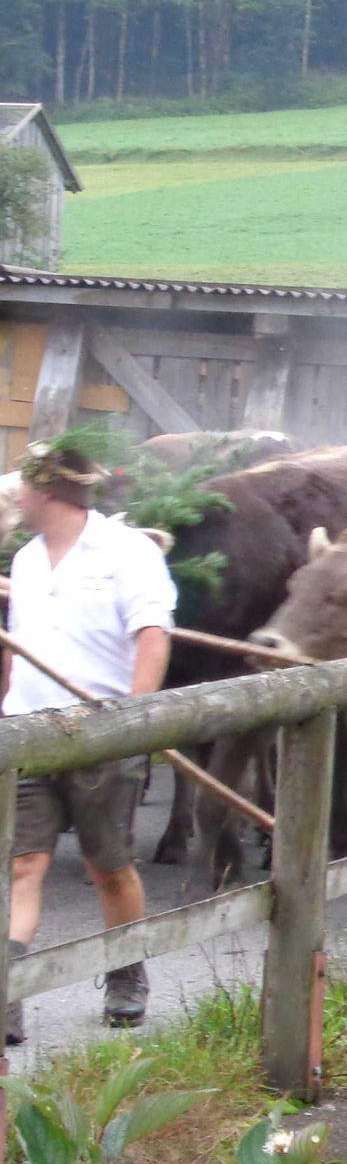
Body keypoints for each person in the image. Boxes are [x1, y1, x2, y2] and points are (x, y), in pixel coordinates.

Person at [3, 438, 176, 1042]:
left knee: (108, 866)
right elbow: (18, 650)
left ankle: (126, 973)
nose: (15, 497)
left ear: (45, 490)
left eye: (22, 486)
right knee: (23, 865)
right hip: (30, 734)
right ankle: (7, 994)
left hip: (102, 732)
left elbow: (152, 635)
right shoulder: (27, 560)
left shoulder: (127, 552)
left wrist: (134, 721)